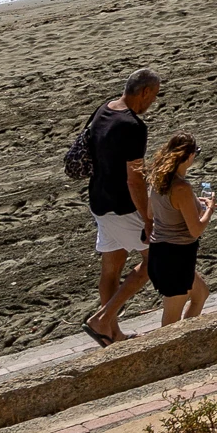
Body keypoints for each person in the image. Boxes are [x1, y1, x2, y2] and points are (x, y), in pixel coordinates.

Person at [82, 70, 161, 343]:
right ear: (145, 92)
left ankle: (112, 334)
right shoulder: (133, 126)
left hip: (98, 199)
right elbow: (134, 178)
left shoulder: (103, 109)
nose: (152, 103)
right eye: (154, 96)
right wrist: (148, 217)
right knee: (157, 261)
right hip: (123, 206)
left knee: (111, 268)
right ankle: (101, 319)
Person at [140, 132, 216, 326]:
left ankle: (187, 339)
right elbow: (196, 230)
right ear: (189, 156)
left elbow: (150, 213)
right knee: (170, 323)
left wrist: (191, 204)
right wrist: (210, 209)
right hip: (175, 258)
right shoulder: (181, 187)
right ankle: (169, 352)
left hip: (162, 253)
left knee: (201, 294)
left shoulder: (159, 179)